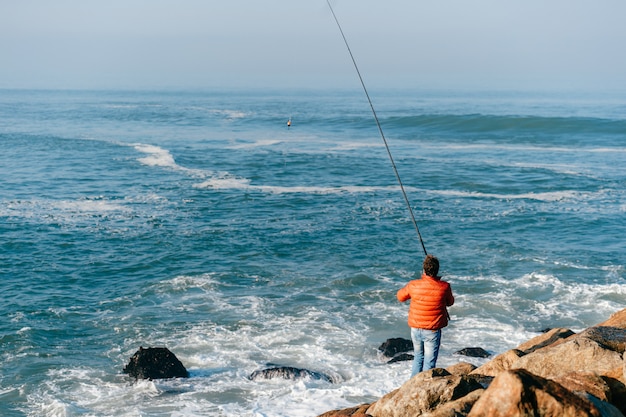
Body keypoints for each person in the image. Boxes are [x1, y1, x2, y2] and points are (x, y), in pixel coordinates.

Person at [397, 254, 454, 378]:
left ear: (424, 270)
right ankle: (425, 386)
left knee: (418, 358)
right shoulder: (444, 287)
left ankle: (412, 386)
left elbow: (400, 297)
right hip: (432, 331)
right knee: (429, 363)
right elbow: (450, 302)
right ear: (437, 270)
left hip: (416, 329)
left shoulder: (413, 285)